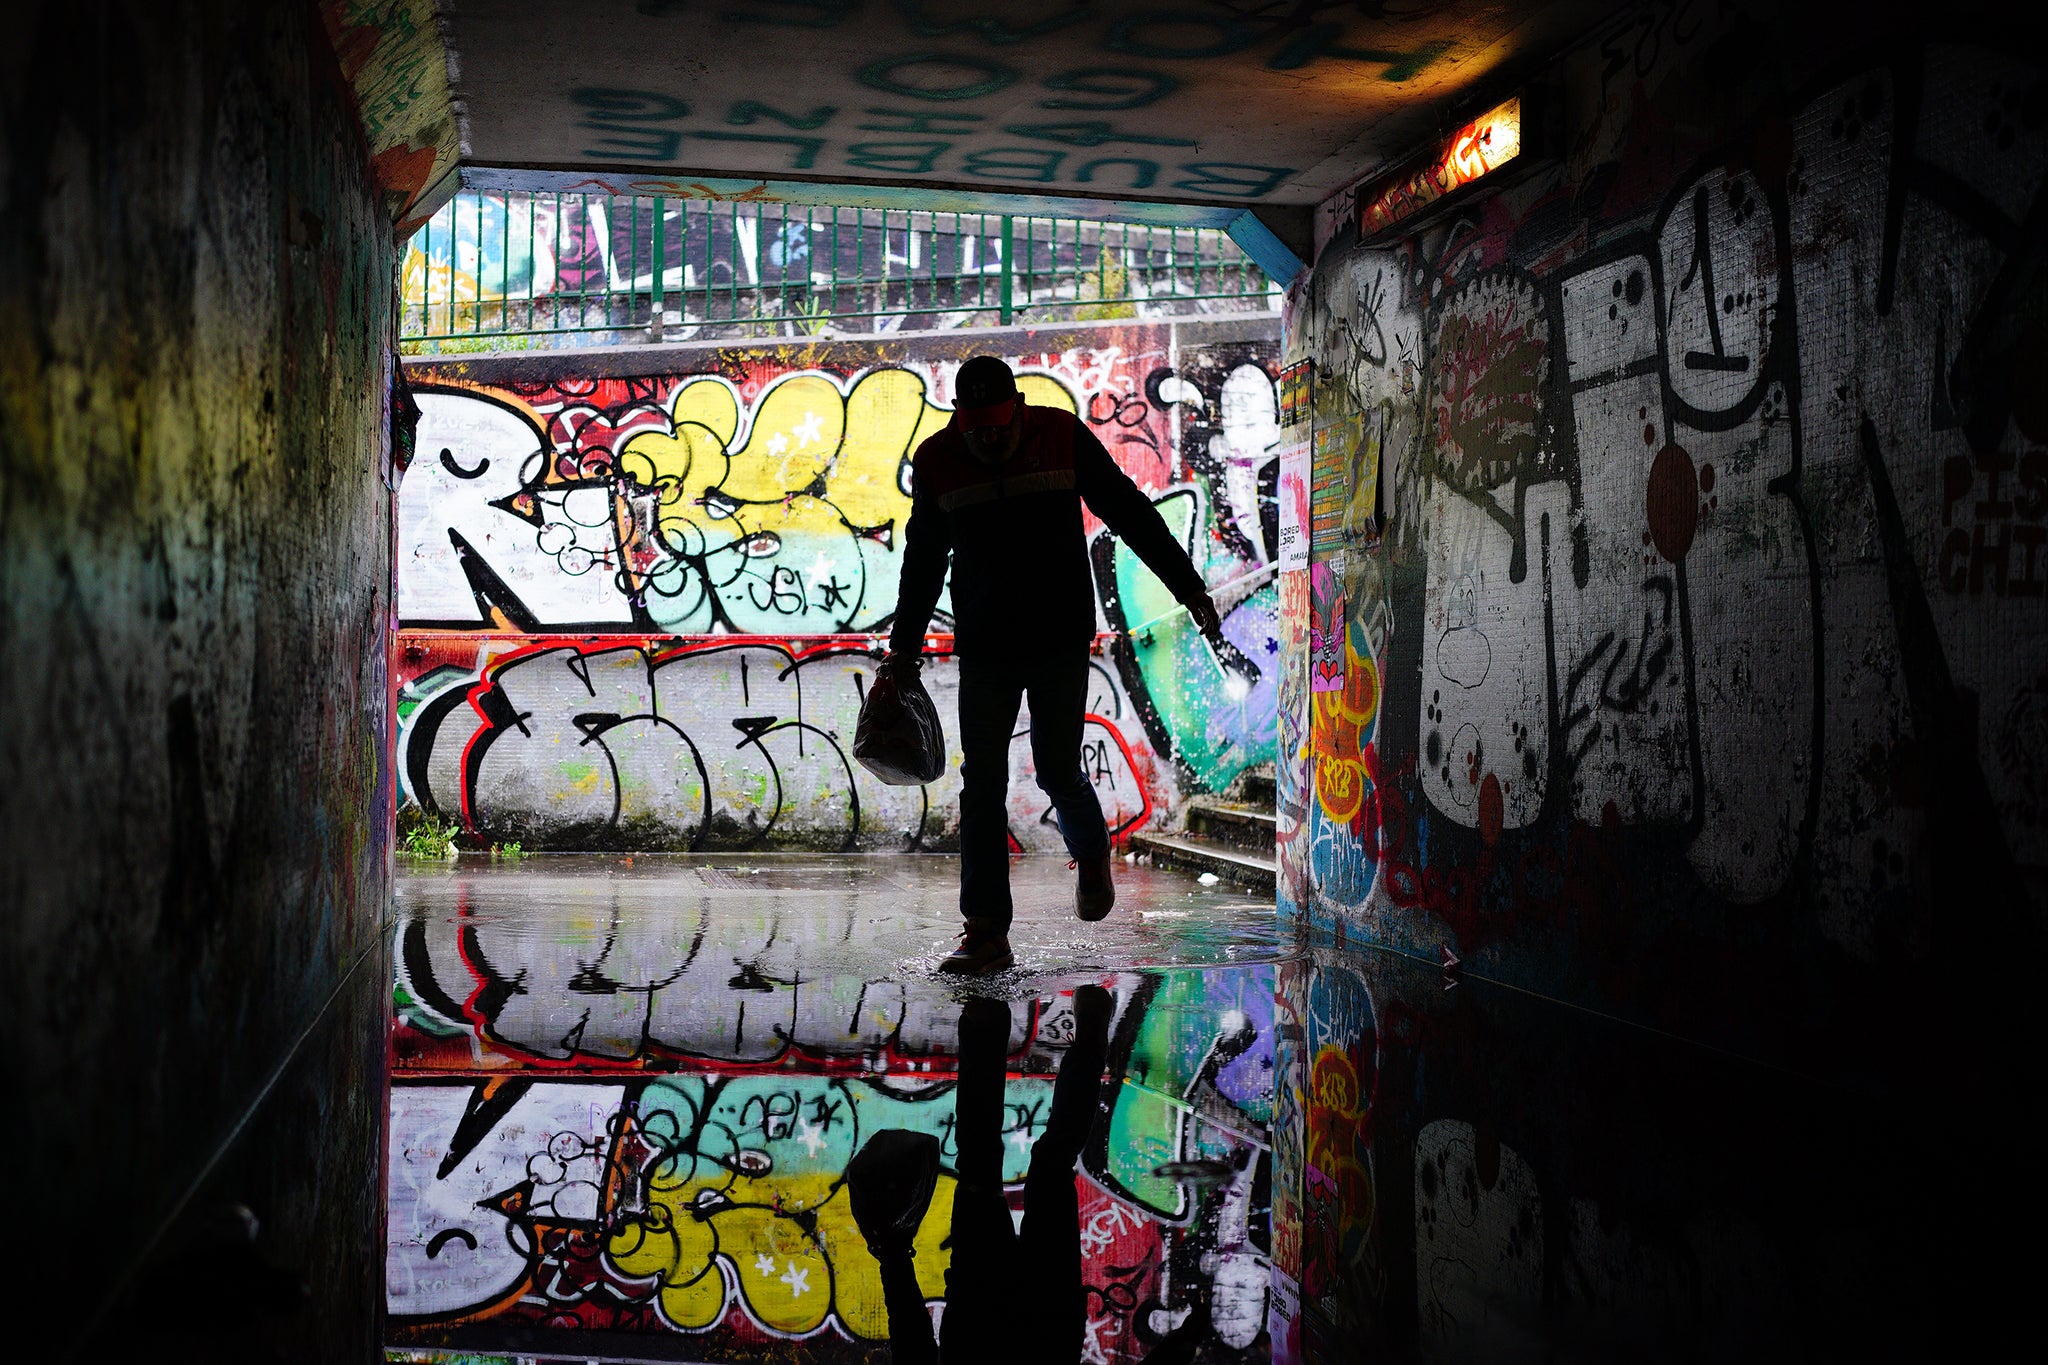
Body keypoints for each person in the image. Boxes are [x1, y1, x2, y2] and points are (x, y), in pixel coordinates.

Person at [886, 356, 1222, 975]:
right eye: (976, 426)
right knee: (981, 783)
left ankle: (1090, 854)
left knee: (1057, 769)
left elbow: (1129, 512)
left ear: (1017, 406)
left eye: (997, 422)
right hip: (985, 648)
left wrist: (1190, 589)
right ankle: (986, 930)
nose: (989, 435)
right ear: (959, 418)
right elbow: (923, 563)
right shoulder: (938, 461)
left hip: (1059, 642)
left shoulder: (1061, 435)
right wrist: (901, 651)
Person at [846, 986, 1114, 1364]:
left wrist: (1183, 1341)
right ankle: (984, 1019)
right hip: (979, 1314)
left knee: (1051, 1168)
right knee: (980, 1163)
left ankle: (1088, 1040)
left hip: (1048, 1330)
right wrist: (893, 1260)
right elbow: (914, 1346)